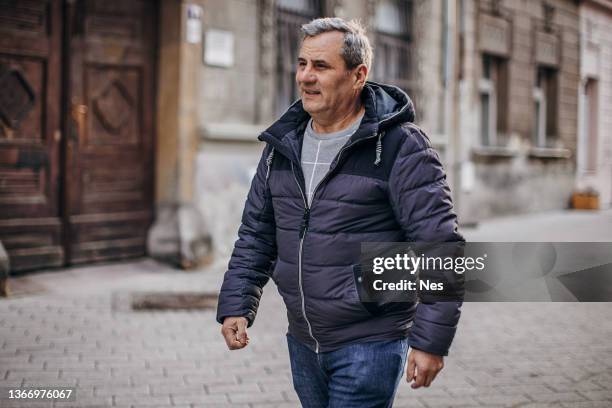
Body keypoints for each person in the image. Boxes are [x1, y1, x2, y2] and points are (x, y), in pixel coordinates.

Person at [216, 17, 463, 408]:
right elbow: (257, 233)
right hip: (302, 341)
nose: (305, 77)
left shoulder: (399, 145)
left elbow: (440, 246)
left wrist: (430, 342)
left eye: (321, 66)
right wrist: (236, 304)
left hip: (370, 343)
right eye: (302, 64)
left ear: (357, 75)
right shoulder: (283, 144)